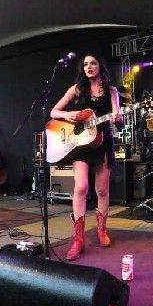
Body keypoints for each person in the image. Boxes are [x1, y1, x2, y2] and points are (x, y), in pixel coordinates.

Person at [50, 52, 123, 260]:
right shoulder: (76, 89)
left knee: (102, 189)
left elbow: (118, 120)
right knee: (81, 187)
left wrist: (118, 118)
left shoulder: (111, 91)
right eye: (85, 64)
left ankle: (101, 231)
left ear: (101, 66)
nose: (89, 67)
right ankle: (78, 239)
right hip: (81, 142)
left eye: (93, 63)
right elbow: (54, 112)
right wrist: (66, 115)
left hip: (103, 141)